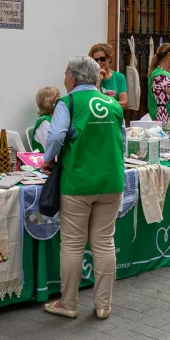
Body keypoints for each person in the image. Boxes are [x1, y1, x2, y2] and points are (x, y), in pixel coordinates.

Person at [41, 56, 125, 321]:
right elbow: (121, 141)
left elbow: (55, 136)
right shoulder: (112, 103)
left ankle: (69, 303)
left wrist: (47, 159)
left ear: (74, 78)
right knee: (104, 243)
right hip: (112, 180)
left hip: (78, 182)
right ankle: (103, 305)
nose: (64, 79)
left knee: (73, 245)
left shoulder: (68, 102)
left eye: (66, 74)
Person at [90, 43, 129, 110]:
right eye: (96, 60)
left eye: (102, 59)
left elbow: (124, 104)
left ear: (109, 58)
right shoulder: (91, 78)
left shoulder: (119, 77)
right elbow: (92, 101)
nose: (99, 62)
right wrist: (98, 81)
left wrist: (103, 103)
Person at [28, 86, 61, 153]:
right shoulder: (44, 122)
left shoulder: (53, 119)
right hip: (45, 160)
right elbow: (50, 150)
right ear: (53, 103)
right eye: (59, 98)